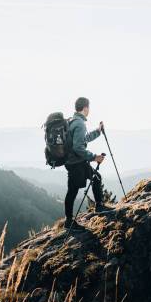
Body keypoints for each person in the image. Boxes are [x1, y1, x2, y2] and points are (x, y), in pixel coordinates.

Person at [64, 97, 112, 229]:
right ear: (85, 108)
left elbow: (83, 140)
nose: (89, 110)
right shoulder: (79, 124)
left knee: (96, 178)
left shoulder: (72, 121)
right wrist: (94, 157)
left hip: (74, 161)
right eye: (89, 107)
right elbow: (78, 147)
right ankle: (69, 222)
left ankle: (99, 206)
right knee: (72, 191)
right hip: (76, 163)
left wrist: (98, 131)